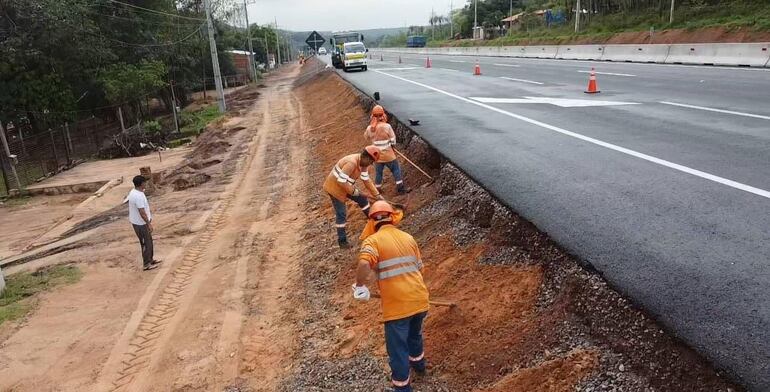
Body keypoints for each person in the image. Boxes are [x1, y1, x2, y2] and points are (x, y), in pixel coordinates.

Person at [352, 201, 429, 392]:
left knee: (397, 349)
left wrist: (360, 286)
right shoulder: (408, 238)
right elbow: (420, 269)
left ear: (372, 221)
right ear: (391, 217)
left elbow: (364, 264)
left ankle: (402, 387)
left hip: (397, 307)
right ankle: (419, 366)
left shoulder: (372, 241)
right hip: (420, 299)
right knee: (414, 335)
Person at [323, 146, 384, 248]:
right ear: (366, 157)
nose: (370, 164)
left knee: (363, 200)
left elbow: (366, 180)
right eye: (370, 162)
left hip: (345, 186)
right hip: (335, 188)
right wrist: (353, 191)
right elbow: (341, 181)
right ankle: (342, 241)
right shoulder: (351, 163)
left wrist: (377, 195)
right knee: (341, 213)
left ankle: (373, 220)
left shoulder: (363, 164)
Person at [364, 105, 409, 194]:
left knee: (378, 172)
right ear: (383, 115)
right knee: (396, 169)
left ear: (372, 116)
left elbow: (366, 137)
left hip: (376, 156)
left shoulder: (369, 128)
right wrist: (392, 146)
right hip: (388, 154)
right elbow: (393, 140)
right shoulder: (387, 126)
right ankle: (400, 189)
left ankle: (377, 189)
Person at [126, 175, 161, 271]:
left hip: (140, 222)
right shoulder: (137, 196)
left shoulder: (136, 192)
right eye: (145, 182)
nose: (146, 183)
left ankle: (150, 259)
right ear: (141, 184)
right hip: (140, 224)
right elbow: (142, 212)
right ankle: (146, 264)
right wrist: (148, 223)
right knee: (145, 243)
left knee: (149, 241)